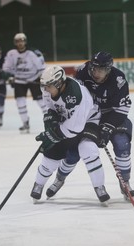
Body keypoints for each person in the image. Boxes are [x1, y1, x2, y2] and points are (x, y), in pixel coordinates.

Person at [45, 51, 134, 201]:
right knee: (73, 151)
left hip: (112, 115)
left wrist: (108, 126)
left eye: (101, 69)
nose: (96, 72)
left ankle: (125, 182)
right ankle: (59, 179)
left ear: (109, 69)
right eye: (94, 68)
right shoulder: (82, 71)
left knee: (122, 144)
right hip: (89, 116)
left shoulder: (118, 80)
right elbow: (73, 95)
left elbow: (122, 109)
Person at [30, 65, 110, 204]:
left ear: (59, 83)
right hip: (68, 120)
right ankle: (38, 184)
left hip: (88, 121)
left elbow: (75, 129)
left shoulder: (79, 96)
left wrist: (53, 135)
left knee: (88, 149)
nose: (45, 90)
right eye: (44, 86)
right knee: (52, 153)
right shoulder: (48, 90)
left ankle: (99, 186)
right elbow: (50, 108)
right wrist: (51, 120)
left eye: (48, 86)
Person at [2, 32, 46, 133]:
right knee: (20, 103)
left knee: (42, 103)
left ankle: (52, 121)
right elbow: (6, 68)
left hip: (33, 79)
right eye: (18, 41)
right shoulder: (11, 53)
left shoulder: (33, 53)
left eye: (22, 41)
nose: (20, 43)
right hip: (19, 81)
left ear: (25, 41)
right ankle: (25, 122)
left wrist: (41, 78)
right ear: (15, 43)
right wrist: (8, 76)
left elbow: (42, 67)